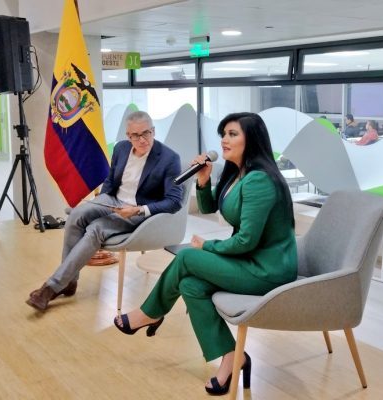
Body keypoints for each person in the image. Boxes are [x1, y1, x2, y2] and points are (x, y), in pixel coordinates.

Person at [114, 112, 298, 395]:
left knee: (187, 256)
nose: (224, 140)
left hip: (268, 270)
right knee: (190, 284)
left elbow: (246, 241)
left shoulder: (259, 180)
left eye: (232, 134)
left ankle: (150, 313)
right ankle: (232, 358)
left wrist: (208, 246)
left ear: (252, 140)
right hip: (248, 261)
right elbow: (211, 207)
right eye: (223, 134)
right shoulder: (238, 173)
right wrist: (203, 179)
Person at [26, 111, 183, 312]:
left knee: (97, 229)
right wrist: (101, 203)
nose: (142, 139)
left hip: (137, 209)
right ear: (128, 136)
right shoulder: (121, 148)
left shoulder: (169, 158)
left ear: (153, 131)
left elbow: (174, 201)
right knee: (76, 215)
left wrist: (138, 210)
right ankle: (69, 281)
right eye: (135, 135)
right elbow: (111, 179)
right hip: (112, 200)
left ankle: (52, 287)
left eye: (146, 133)